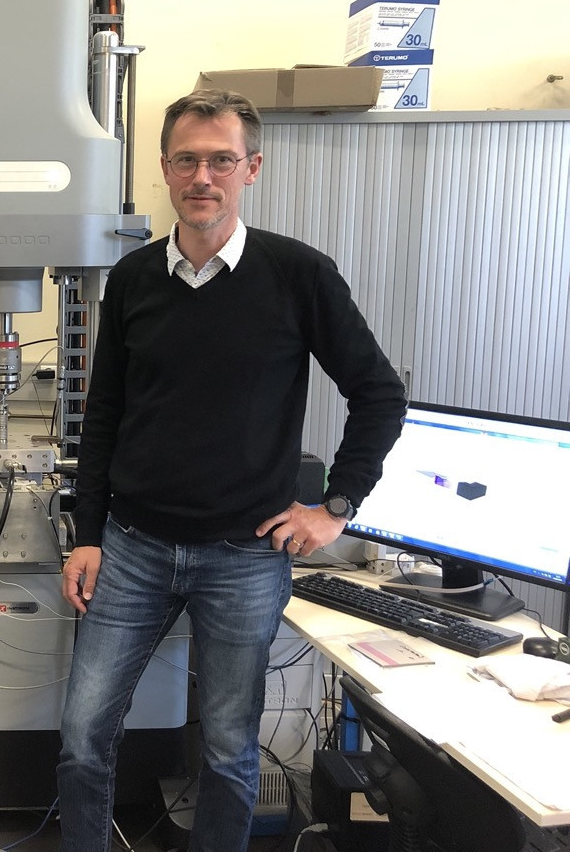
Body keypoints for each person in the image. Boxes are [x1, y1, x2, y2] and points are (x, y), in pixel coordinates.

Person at [56, 90, 407, 852]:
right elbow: (104, 417)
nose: (203, 176)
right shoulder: (133, 280)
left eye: (221, 159)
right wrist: (87, 535)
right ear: (165, 169)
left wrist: (336, 506)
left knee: (227, 753)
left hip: (244, 557)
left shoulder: (300, 275)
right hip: (133, 549)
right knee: (83, 738)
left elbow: (379, 393)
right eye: (188, 159)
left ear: (250, 167)